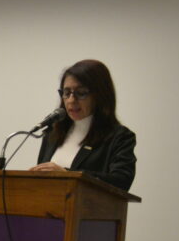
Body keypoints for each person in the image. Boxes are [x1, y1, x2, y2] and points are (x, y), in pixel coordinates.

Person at [29, 59, 137, 191]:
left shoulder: (119, 137)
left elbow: (121, 181)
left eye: (81, 93)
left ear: (100, 95)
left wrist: (69, 175)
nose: (71, 100)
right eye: (66, 92)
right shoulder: (53, 133)